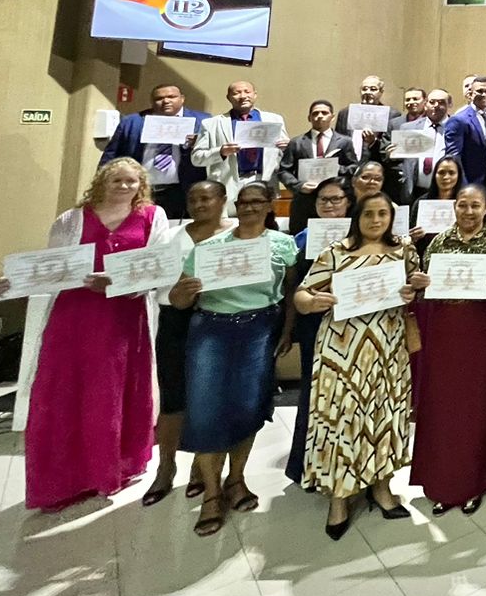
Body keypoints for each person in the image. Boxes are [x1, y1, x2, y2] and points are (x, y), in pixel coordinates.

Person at [0, 158, 171, 510]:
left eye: (132, 181)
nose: (124, 186)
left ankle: (110, 469)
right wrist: (9, 284)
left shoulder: (154, 216)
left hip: (122, 317)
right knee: (64, 393)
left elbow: (158, 269)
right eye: (117, 180)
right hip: (75, 318)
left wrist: (117, 282)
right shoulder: (72, 219)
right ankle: (62, 479)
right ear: (102, 181)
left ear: (141, 185)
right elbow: (49, 267)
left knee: (111, 395)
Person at [294, 191, 427, 537]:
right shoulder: (336, 252)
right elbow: (302, 294)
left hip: (389, 347)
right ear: (358, 217)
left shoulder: (404, 251)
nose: (376, 220)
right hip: (342, 351)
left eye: (383, 213)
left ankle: (382, 487)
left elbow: (417, 288)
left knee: (384, 415)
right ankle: (340, 495)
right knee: (341, 418)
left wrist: (416, 289)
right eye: (369, 214)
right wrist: (312, 301)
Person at [171, 181, 296, 536]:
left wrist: (287, 331)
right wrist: (180, 292)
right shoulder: (208, 249)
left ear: (270, 206)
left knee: (248, 407)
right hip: (211, 329)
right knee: (207, 409)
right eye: (244, 202)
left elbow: (288, 291)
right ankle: (212, 493)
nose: (250, 208)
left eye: (258, 202)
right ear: (234, 206)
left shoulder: (283, 245)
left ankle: (236, 479)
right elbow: (180, 299)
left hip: (260, 328)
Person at [412, 183, 486, 513]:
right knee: (445, 410)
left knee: (480, 407)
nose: (469, 212)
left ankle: (477, 482)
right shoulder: (439, 240)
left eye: (475, 206)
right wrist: (422, 283)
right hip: (446, 333)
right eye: (463, 205)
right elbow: (426, 289)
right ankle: (444, 484)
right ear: (454, 208)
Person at [142, 180, 231, 507]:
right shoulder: (169, 237)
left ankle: (201, 465)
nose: (199, 204)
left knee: (209, 399)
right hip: (175, 321)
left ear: (222, 200)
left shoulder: (234, 236)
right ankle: (165, 468)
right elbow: (150, 278)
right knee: (173, 399)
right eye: (193, 199)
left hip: (218, 320)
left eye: (206, 198)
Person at [280, 177, 352, 486]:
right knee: (313, 391)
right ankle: (305, 462)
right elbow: (292, 284)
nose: (330, 205)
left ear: (349, 203)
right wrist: (289, 329)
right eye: (324, 200)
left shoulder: (361, 234)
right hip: (314, 322)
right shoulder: (303, 237)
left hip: (351, 324)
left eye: (336, 199)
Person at [99, 82, 209, 220]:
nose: (166, 101)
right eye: (159, 98)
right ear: (152, 101)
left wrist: (200, 144)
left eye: (171, 96)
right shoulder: (132, 122)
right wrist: (102, 186)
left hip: (183, 190)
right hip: (140, 189)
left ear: (182, 98)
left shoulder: (204, 121)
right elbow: (111, 156)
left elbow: (217, 156)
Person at [190, 81, 288, 213]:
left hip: (263, 180)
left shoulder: (274, 120)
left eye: (247, 92)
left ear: (255, 95)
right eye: (236, 93)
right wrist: (221, 152)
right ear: (229, 97)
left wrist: (286, 147)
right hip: (228, 182)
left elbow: (284, 155)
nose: (242, 96)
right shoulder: (211, 124)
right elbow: (197, 158)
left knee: (263, 224)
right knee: (228, 226)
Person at [278, 99, 356, 232]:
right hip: (304, 201)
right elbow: (283, 171)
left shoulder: (345, 142)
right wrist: (299, 186)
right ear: (309, 117)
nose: (319, 116)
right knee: (302, 242)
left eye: (324, 113)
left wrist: (335, 169)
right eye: (315, 113)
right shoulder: (296, 142)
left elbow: (354, 168)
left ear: (332, 116)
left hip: (335, 203)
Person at [385, 87, 440, 205]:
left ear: (425, 102)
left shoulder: (437, 124)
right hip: (410, 185)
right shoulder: (398, 124)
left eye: (415, 99)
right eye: (408, 100)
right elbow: (386, 154)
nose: (411, 102)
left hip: (436, 182)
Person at [408, 156, 464, 259]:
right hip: (425, 257)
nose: (446, 177)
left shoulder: (464, 204)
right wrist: (413, 237)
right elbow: (409, 236)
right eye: (441, 172)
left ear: (459, 176)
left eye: (451, 173)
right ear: (435, 175)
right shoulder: (421, 202)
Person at [444, 78, 486, 190]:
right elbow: (454, 157)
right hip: (468, 182)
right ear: (471, 94)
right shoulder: (459, 120)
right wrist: (462, 185)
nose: (484, 94)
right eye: (480, 91)